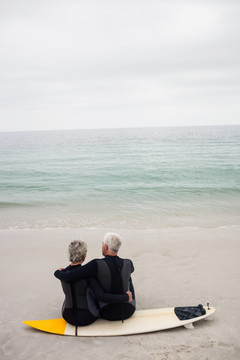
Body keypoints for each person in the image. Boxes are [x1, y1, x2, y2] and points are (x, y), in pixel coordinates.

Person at [54, 233, 136, 321]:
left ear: (105, 247)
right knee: (128, 278)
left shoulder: (96, 264)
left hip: (106, 312)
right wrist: (126, 296)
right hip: (129, 310)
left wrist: (57, 272)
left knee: (94, 276)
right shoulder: (129, 263)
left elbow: (69, 276)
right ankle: (129, 298)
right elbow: (129, 270)